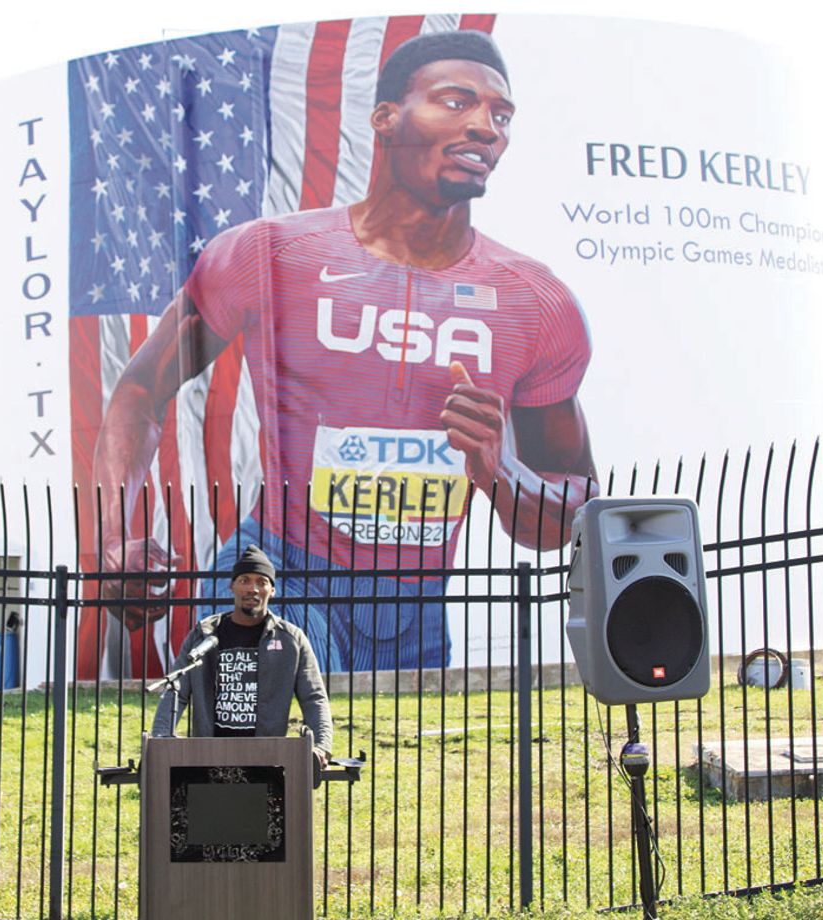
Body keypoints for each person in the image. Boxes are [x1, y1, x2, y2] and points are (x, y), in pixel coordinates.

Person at [95, 30, 599, 671]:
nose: (484, 127)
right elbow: (140, 389)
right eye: (455, 101)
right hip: (280, 572)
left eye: (500, 115)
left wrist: (502, 472)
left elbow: (572, 509)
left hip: (416, 611)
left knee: (401, 771)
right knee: (272, 742)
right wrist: (114, 540)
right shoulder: (268, 253)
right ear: (385, 117)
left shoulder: (537, 301)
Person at [151, 545, 333, 769]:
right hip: (211, 756)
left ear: (272, 590)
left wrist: (322, 746)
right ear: (233, 586)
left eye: (261, 582)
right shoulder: (204, 634)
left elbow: (313, 697)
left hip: (267, 757)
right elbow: (176, 691)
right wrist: (160, 737)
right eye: (245, 580)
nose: (252, 589)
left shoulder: (290, 640)